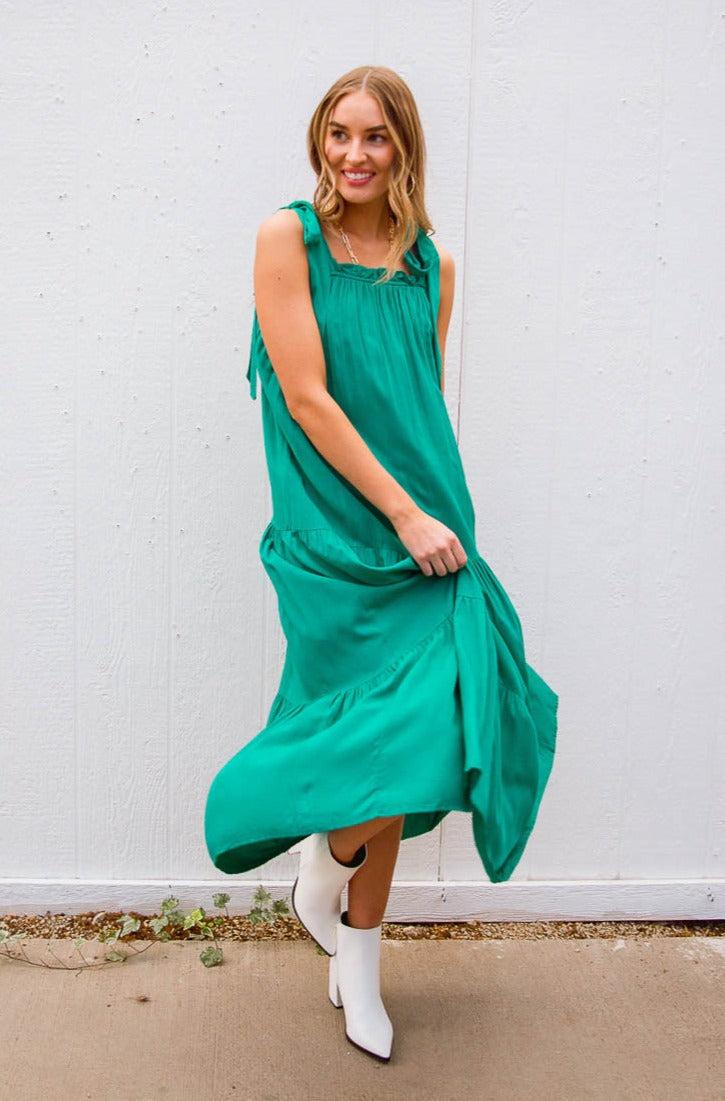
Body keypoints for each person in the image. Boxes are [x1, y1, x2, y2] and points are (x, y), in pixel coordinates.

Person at [204, 65, 559, 1063]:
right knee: (367, 737)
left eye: (374, 137)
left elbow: (415, 408)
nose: (353, 154)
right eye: (339, 133)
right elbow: (308, 398)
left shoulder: (430, 264)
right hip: (333, 535)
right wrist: (399, 516)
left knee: (414, 738)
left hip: (427, 528)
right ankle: (329, 855)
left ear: (403, 147)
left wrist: (432, 518)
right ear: (318, 140)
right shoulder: (287, 238)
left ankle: (357, 953)